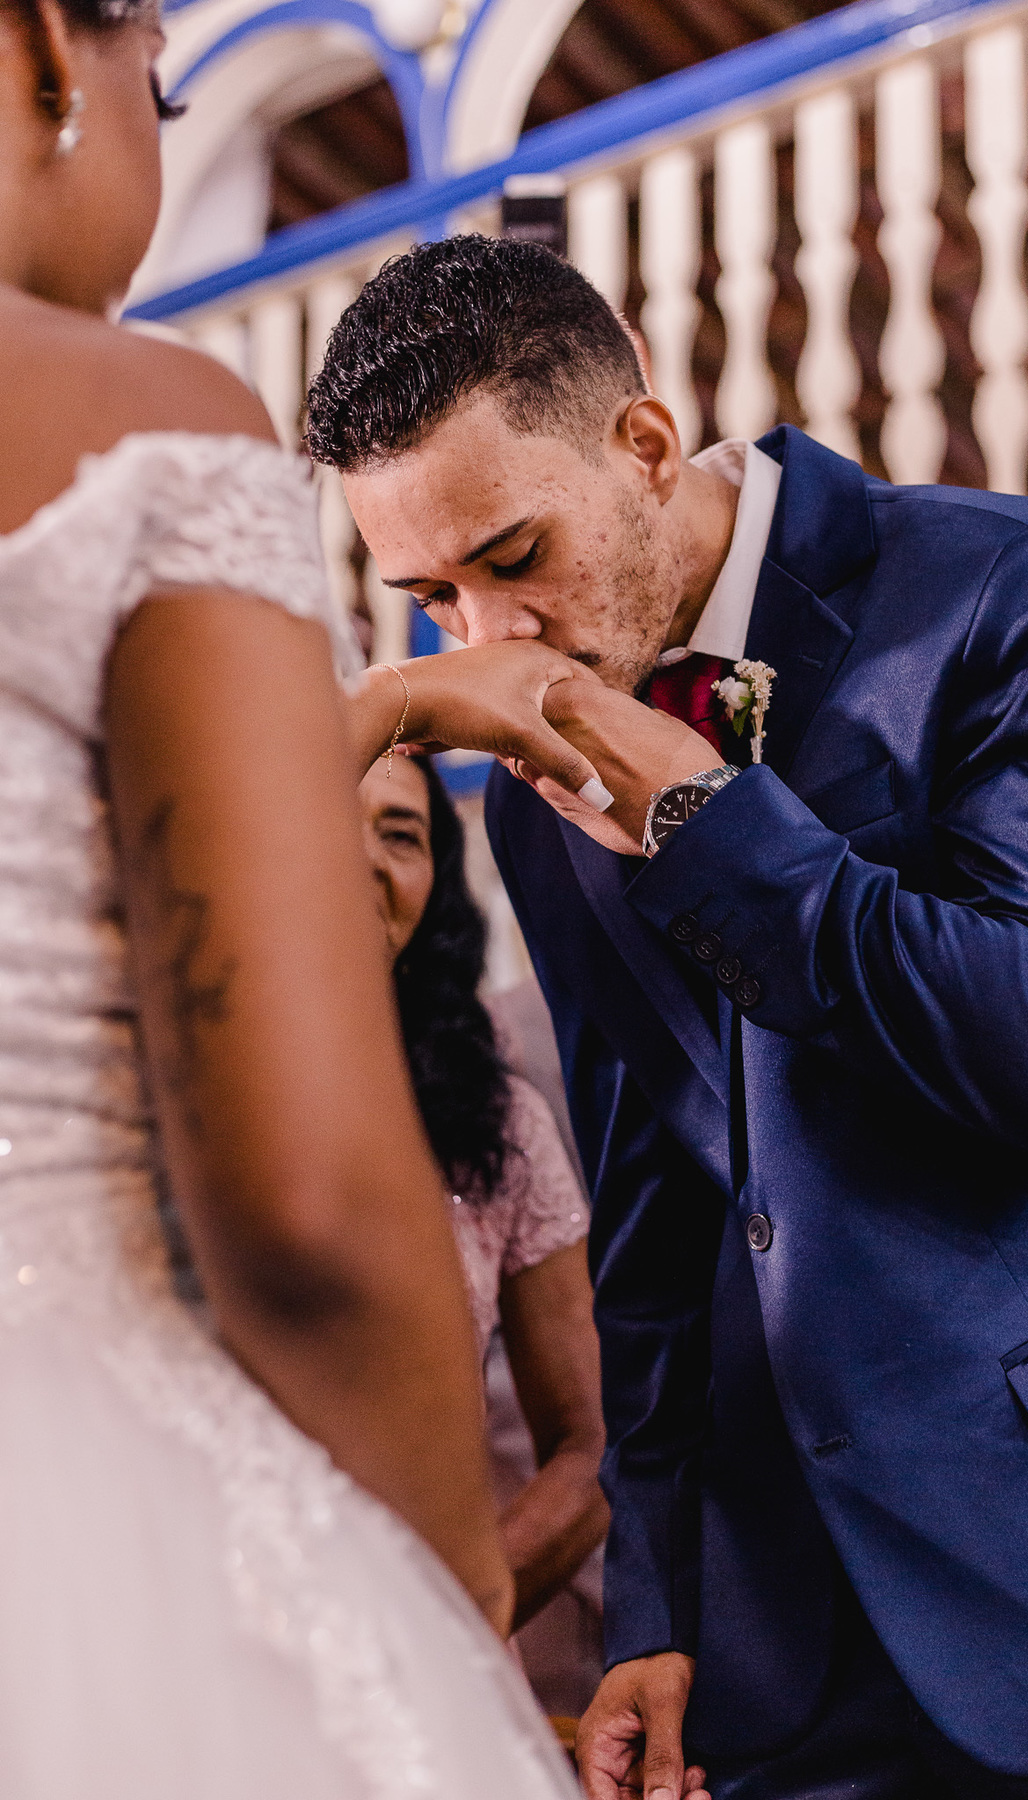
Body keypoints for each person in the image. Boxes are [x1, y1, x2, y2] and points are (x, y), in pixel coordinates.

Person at [311, 234, 1028, 1800]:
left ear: (644, 447)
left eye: (513, 558)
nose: (483, 644)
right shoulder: (526, 779)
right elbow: (652, 1208)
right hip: (777, 1661)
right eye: (430, 597)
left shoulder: (1006, 582)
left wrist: (700, 814)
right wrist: (660, 1601)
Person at [0, 10, 579, 1792]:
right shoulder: (134, 421)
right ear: (46, 47)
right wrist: (447, 1609)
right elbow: (315, 1207)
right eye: (160, 85)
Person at [358, 751, 608, 1653]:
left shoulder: (497, 1120)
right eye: (329, 814)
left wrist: (442, 1622)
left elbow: (589, 1446)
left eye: (402, 834)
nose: (369, 860)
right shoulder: (148, 1085)